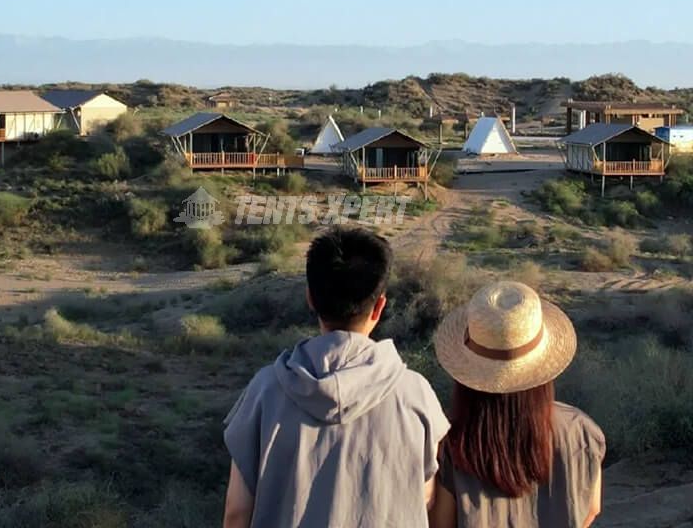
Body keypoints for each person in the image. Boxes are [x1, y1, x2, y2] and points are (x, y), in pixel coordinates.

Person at [222, 226, 450, 528]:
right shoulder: (416, 395)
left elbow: (237, 512)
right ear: (380, 306)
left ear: (310, 299)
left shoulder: (265, 391)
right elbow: (427, 498)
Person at [429, 281, 605, 528]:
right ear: (542, 369)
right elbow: (591, 509)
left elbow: (440, 524)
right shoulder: (582, 430)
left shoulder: (450, 442)